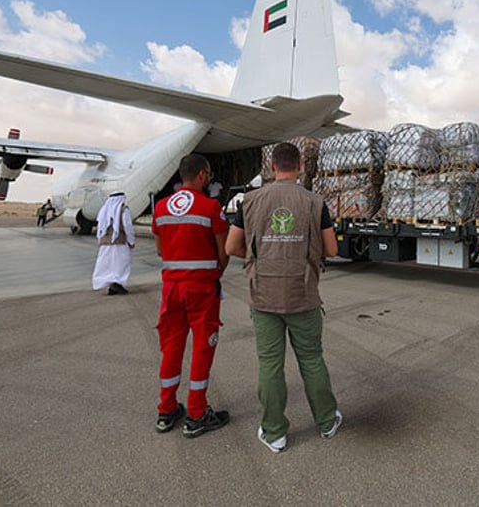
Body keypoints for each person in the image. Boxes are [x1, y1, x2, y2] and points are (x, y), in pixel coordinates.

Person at [226, 142, 341, 453]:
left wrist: (258, 258)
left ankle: (275, 432)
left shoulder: (249, 202)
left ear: (272, 167)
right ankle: (327, 421)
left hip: (263, 295)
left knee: (270, 365)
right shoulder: (315, 203)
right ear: (300, 165)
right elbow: (331, 250)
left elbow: (231, 247)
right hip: (303, 294)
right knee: (312, 359)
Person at [151, 154, 230, 438]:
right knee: (202, 348)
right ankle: (196, 414)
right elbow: (224, 250)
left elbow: (161, 250)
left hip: (171, 289)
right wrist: (214, 271)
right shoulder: (211, 207)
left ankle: (166, 408)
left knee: (171, 347)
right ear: (200, 175)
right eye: (207, 174)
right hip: (201, 288)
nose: (208, 179)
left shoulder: (160, 208)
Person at [91, 192, 135, 295]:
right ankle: (116, 284)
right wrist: (131, 241)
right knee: (120, 264)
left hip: (105, 243)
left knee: (107, 264)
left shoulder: (104, 210)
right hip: (120, 242)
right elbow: (128, 227)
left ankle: (112, 285)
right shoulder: (124, 210)